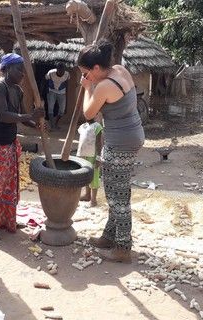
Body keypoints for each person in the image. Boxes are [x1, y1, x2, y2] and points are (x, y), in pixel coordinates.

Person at [77, 39, 145, 262]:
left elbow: (88, 113)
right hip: (131, 135)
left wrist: (88, 89)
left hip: (120, 142)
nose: (87, 77)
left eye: (87, 72)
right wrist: (92, 84)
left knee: (118, 196)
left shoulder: (104, 86)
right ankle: (109, 235)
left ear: (96, 68)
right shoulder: (120, 70)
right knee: (117, 190)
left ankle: (123, 247)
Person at [0, 53, 45, 241]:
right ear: (7, 69)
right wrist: (29, 116)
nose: (22, 73)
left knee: (7, 184)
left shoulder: (17, 89)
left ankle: (6, 219)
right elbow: (3, 115)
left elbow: (20, 115)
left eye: (23, 69)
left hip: (7, 142)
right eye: (19, 69)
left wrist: (35, 123)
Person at [77, 114, 103, 207]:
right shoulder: (83, 126)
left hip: (93, 155)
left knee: (94, 176)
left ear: (95, 114)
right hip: (84, 155)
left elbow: (99, 144)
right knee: (86, 175)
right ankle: (87, 195)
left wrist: (98, 158)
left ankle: (93, 200)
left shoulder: (97, 126)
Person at [44, 62, 69, 129]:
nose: (61, 73)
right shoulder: (51, 73)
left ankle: (55, 123)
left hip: (62, 92)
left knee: (62, 110)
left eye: (62, 71)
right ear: (57, 69)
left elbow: (67, 84)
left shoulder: (67, 74)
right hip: (52, 91)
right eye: (60, 71)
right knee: (50, 108)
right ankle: (52, 125)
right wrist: (45, 91)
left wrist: (66, 93)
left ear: (64, 70)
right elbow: (45, 81)